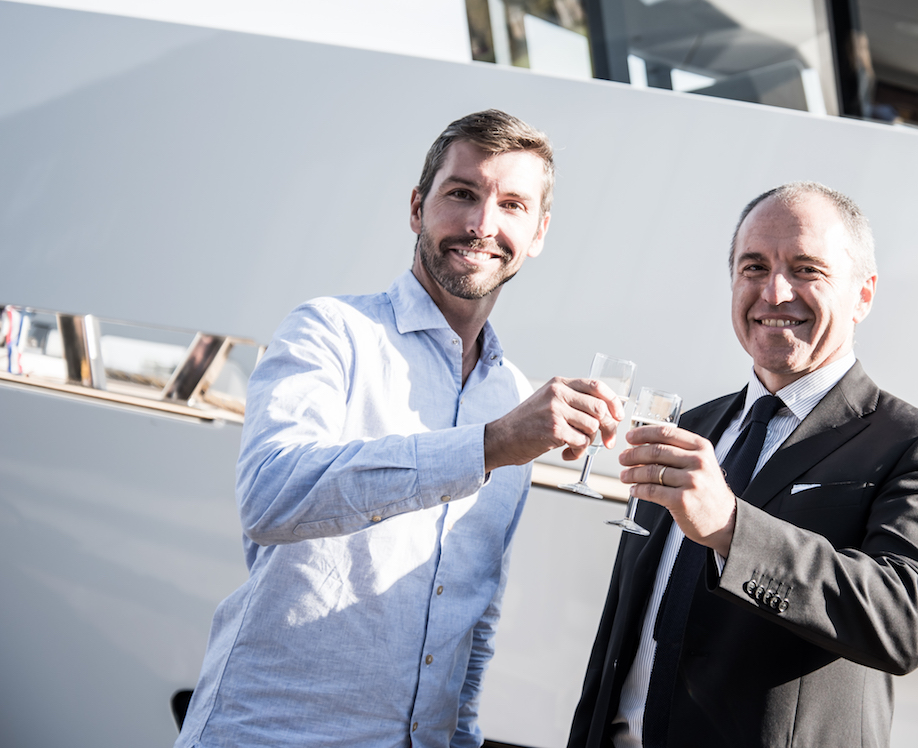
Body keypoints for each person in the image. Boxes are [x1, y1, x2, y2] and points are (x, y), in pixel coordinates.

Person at [176, 110, 625, 748]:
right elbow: (270, 498)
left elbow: (474, 610)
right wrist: (490, 444)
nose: (482, 224)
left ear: (538, 233)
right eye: (462, 193)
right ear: (417, 208)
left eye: (512, 205)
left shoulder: (509, 394)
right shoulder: (330, 331)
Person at [568, 182, 918, 748]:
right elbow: (622, 632)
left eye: (806, 269)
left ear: (862, 295)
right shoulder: (693, 427)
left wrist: (732, 528)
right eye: (754, 267)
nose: (774, 292)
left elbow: (905, 623)